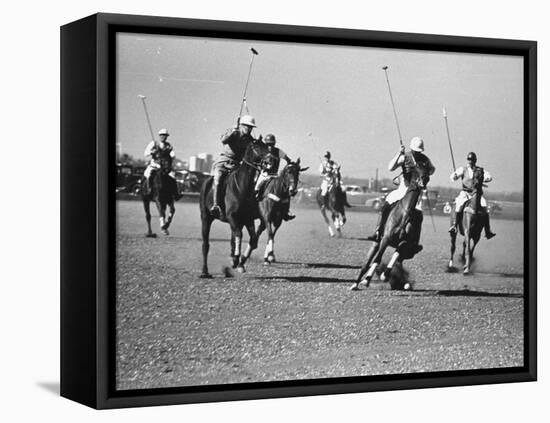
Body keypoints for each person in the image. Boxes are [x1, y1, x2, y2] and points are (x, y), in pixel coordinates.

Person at [367, 136, 435, 247]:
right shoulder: (405, 157)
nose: (417, 153)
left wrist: (425, 173)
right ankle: (378, 230)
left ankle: (414, 242)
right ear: (412, 149)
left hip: (415, 192)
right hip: (403, 188)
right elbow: (390, 167)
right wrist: (399, 154)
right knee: (388, 202)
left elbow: (432, 169)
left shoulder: (425, 159)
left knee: (419, 215)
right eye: (416, 151)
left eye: (419, 151)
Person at [210, 115, 258, 218]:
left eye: (251, 127)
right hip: (223, 162)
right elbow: (223, 140)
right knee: (217, 180)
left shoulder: (249, 139)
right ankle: (215, 205)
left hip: (236, 165)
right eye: (247, 127)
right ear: (241, 125)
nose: (249, 129)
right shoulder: (233, 132)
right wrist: (233, 129)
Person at [449, 152, 496, 239]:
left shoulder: (480, 170)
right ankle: (454, 226)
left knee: (485, 205)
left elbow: (489, 177)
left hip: (476, 194)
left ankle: (487, 230)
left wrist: (483, 178)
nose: (470, 162)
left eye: (472, 160)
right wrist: (454, 176)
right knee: (459, 204)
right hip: (465, 193)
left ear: (475, 161)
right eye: (469, 160)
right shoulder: (463, 169)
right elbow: (452, 177)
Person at [254, 133, 295, 221]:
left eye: (272, 144)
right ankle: (253, 205)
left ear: (274, 144)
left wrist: (290, 165)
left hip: (275, 175)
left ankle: (286, 211)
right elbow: (256, 161)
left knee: (286, 191)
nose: (270, 146)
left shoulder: (278, 151)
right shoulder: (262, 151)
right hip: (264, 174)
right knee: (256, 187)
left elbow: (287, 159)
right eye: (268, 144)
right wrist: (263, 165)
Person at [143, 128, 179, 198]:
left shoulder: (169, 146)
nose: (163, 137)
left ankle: (176, 193)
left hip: (164, 168)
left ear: (167, 137)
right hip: (154, 166)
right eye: (162, 135)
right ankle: (148, 191)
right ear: (159, 136)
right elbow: (146, 153)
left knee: (173, 177)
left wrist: (171, 155)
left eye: (165, 135)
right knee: (147, 175)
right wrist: (152, 152)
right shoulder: (153, 143)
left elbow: (173, 155)